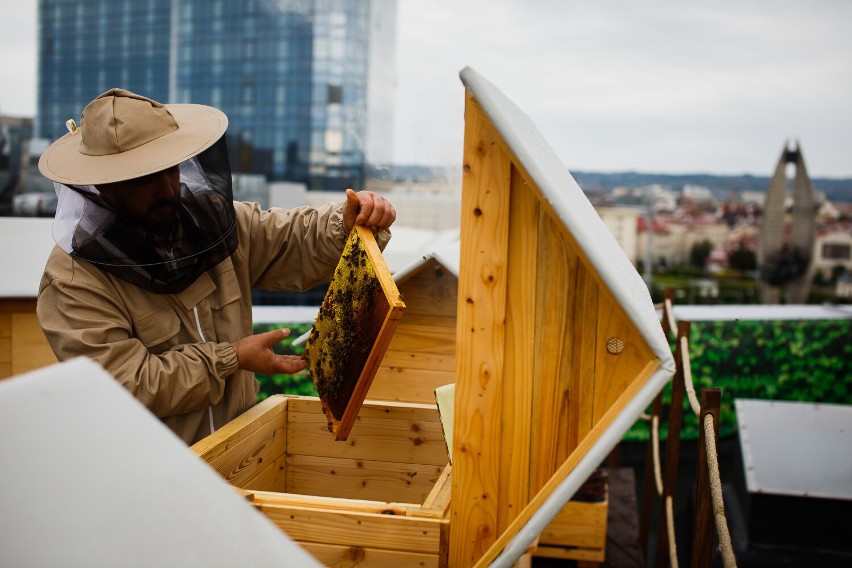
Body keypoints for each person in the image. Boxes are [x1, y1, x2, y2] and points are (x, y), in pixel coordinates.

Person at [36, 88, 395, 445]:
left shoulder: (211, 221)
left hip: (240, 453)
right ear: (105, 186)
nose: (166, 189)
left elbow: (292, 239)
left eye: (170, 170)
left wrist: (347, 223)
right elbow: (125, 384)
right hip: (149, 476)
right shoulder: (72, 280)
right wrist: (232, 358)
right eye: (145, 179)